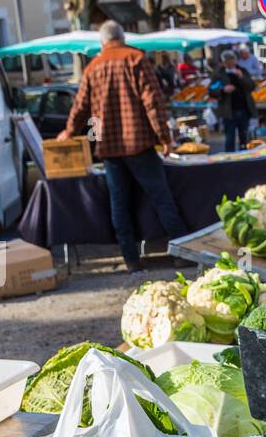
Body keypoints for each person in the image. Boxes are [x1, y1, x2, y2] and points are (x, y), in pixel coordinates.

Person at [59, 21, 185, 272]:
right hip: (139, 144)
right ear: (122, 36)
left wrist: (68, 132)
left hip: (110, 147)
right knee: (162, 199)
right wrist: (165, 138)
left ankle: (130, 259)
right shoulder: (136, 59)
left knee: (119, 205)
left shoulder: (93, 67)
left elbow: (80, 106)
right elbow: (153, 102)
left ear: (102, 42)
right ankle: (182, 252)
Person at [208, 49, 255, 152]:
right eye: (227, 62)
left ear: (235, 60)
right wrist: (223, 90)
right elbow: (211, 90)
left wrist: (241, 77)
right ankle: (230, 159)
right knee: (230, 138)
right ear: (223, 62)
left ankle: (246, 157)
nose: (230, 64)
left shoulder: (242, 71)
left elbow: (251, 86)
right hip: (228, 111)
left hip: (244, 110)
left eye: (231, 61)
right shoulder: (219, 74)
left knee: (245, 137)